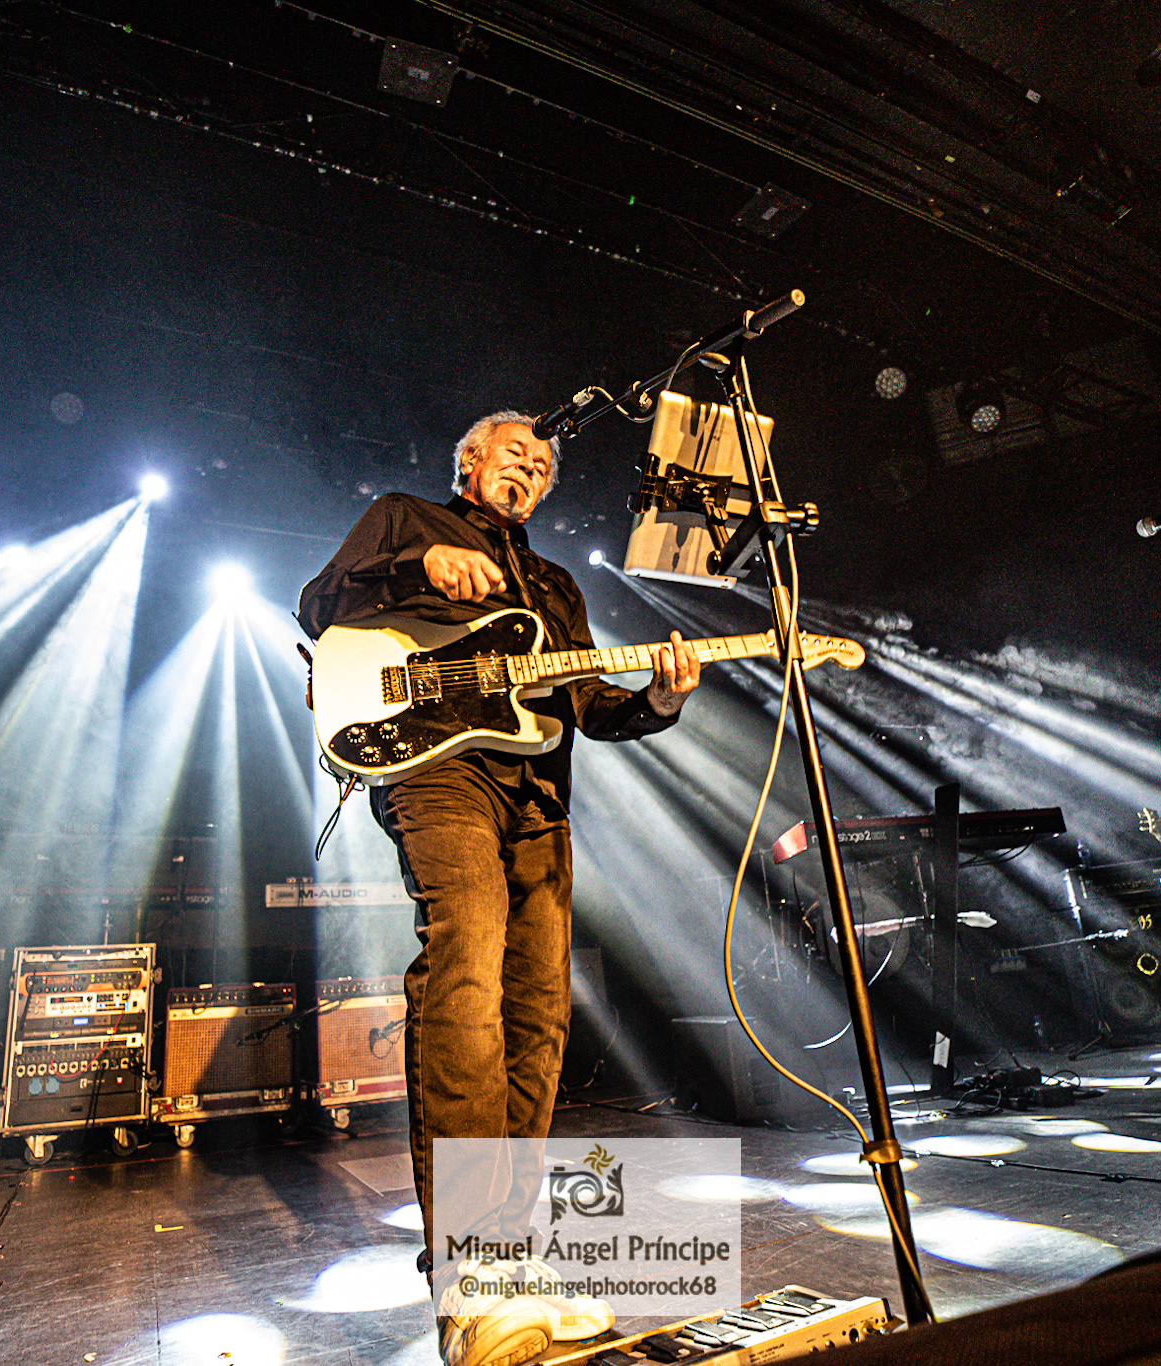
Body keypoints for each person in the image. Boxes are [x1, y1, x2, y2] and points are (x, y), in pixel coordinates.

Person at [297, 411, 702, 1364]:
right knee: (466, 978)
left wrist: (659, 699)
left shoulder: (554, 586)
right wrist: (420, 565)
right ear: (470, 462)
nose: (531, 468)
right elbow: (318, 604)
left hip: (538, 799)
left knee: (539, 1019)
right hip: (438, 772)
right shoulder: (404, 518)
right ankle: (471, 1276)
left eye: (545, 466)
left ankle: (516, 1257)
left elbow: (588, 705)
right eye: (516, 453)